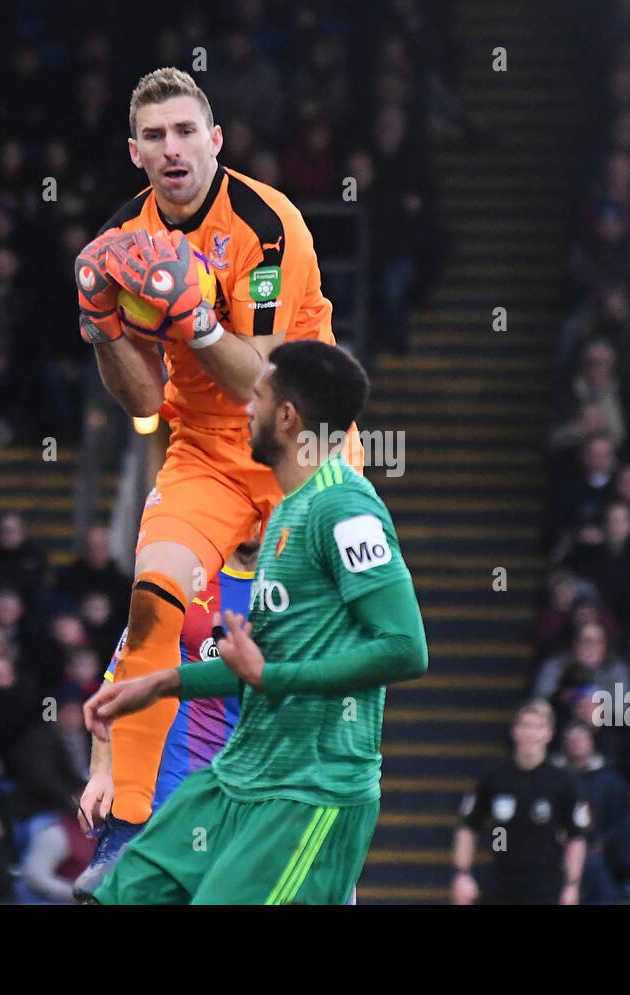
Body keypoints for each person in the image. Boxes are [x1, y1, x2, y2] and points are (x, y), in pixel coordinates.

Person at [73, 67, 364, 838]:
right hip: (202, 451)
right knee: (151, 601)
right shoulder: (123, 242)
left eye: (185, 131)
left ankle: (319, 828)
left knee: (318, 639)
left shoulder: (270, 224)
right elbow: (140, 401)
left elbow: (266, 386)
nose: (173, 148)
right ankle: (127, 832)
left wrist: (194, 320)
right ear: (134, 152)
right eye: (155, 136)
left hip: (304, 443)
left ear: (216, 140)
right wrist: (104, 328)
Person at [84, 342, 425, 904]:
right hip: (238, 778)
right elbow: (255, 663)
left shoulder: (345, 509)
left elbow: (407, 649)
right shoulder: (284, 512)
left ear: (287, 416)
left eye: (256, 396)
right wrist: (159, 682)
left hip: (310, 788)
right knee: (118, 896)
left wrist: (273, 677)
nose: (243, 408)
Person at [71, 541, 256, 901]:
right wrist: (101, 772)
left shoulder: (297, 583)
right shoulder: (182, 578)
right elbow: (119, 680)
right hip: (177, 787)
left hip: (264, 788)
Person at [453, 699, 590, 905]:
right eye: (525, 725)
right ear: (514, 731)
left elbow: (576, 838)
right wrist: (462, 874)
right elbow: (468, 827)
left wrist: (572, 885)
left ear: (549, 733)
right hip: (502, 881)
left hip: (547, 885)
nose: (530, 733)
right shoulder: (495, 778)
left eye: (538, 727)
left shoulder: (563, 781)